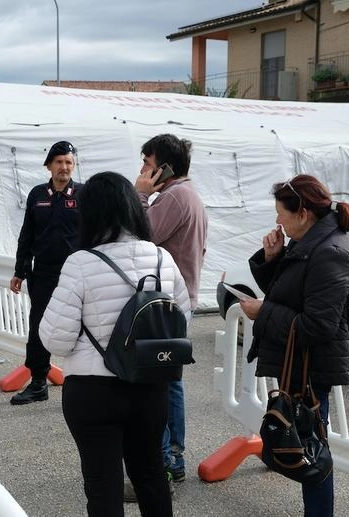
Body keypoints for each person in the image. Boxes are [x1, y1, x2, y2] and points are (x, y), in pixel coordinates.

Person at [40, 171, 189, 517]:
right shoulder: (160, 258)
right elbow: (180, 318)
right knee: (151, 475)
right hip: (150, 386)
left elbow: (56, 339)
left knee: (102, 485)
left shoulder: (80, 263)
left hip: (93, 392)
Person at [238, 174, 349, 517]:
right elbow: (291, 294)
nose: (278, 221)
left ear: (303, 212)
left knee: (312, 448)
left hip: (314, 365)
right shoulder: (311, 242)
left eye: (281, 213)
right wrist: (273, 258)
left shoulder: (331, 251)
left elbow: (317, 326)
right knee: (306, 441)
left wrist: (263, 313)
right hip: (304, 362)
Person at [134, 133, 207, 485]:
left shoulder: (175, 197)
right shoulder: (188, 194)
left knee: (158, 382)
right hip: (180, 300)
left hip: (167, 303)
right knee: (170, 380)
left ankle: (166, 460)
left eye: (148, 164)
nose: (143, 170)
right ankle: (173, 454)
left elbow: (140, 233)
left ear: (165, 167)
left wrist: (140, 193)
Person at [9, 140, 82, 405]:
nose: (64, 167)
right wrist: (20, 269)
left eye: (69, 162)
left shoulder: (83, 194)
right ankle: (39, 382)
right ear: (49, 165)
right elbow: (26, 234)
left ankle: (84, 383)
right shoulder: (37, 194)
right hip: (44, 274)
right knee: (39, 327)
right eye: (59, 162)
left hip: (76, 275)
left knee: (83, 328)